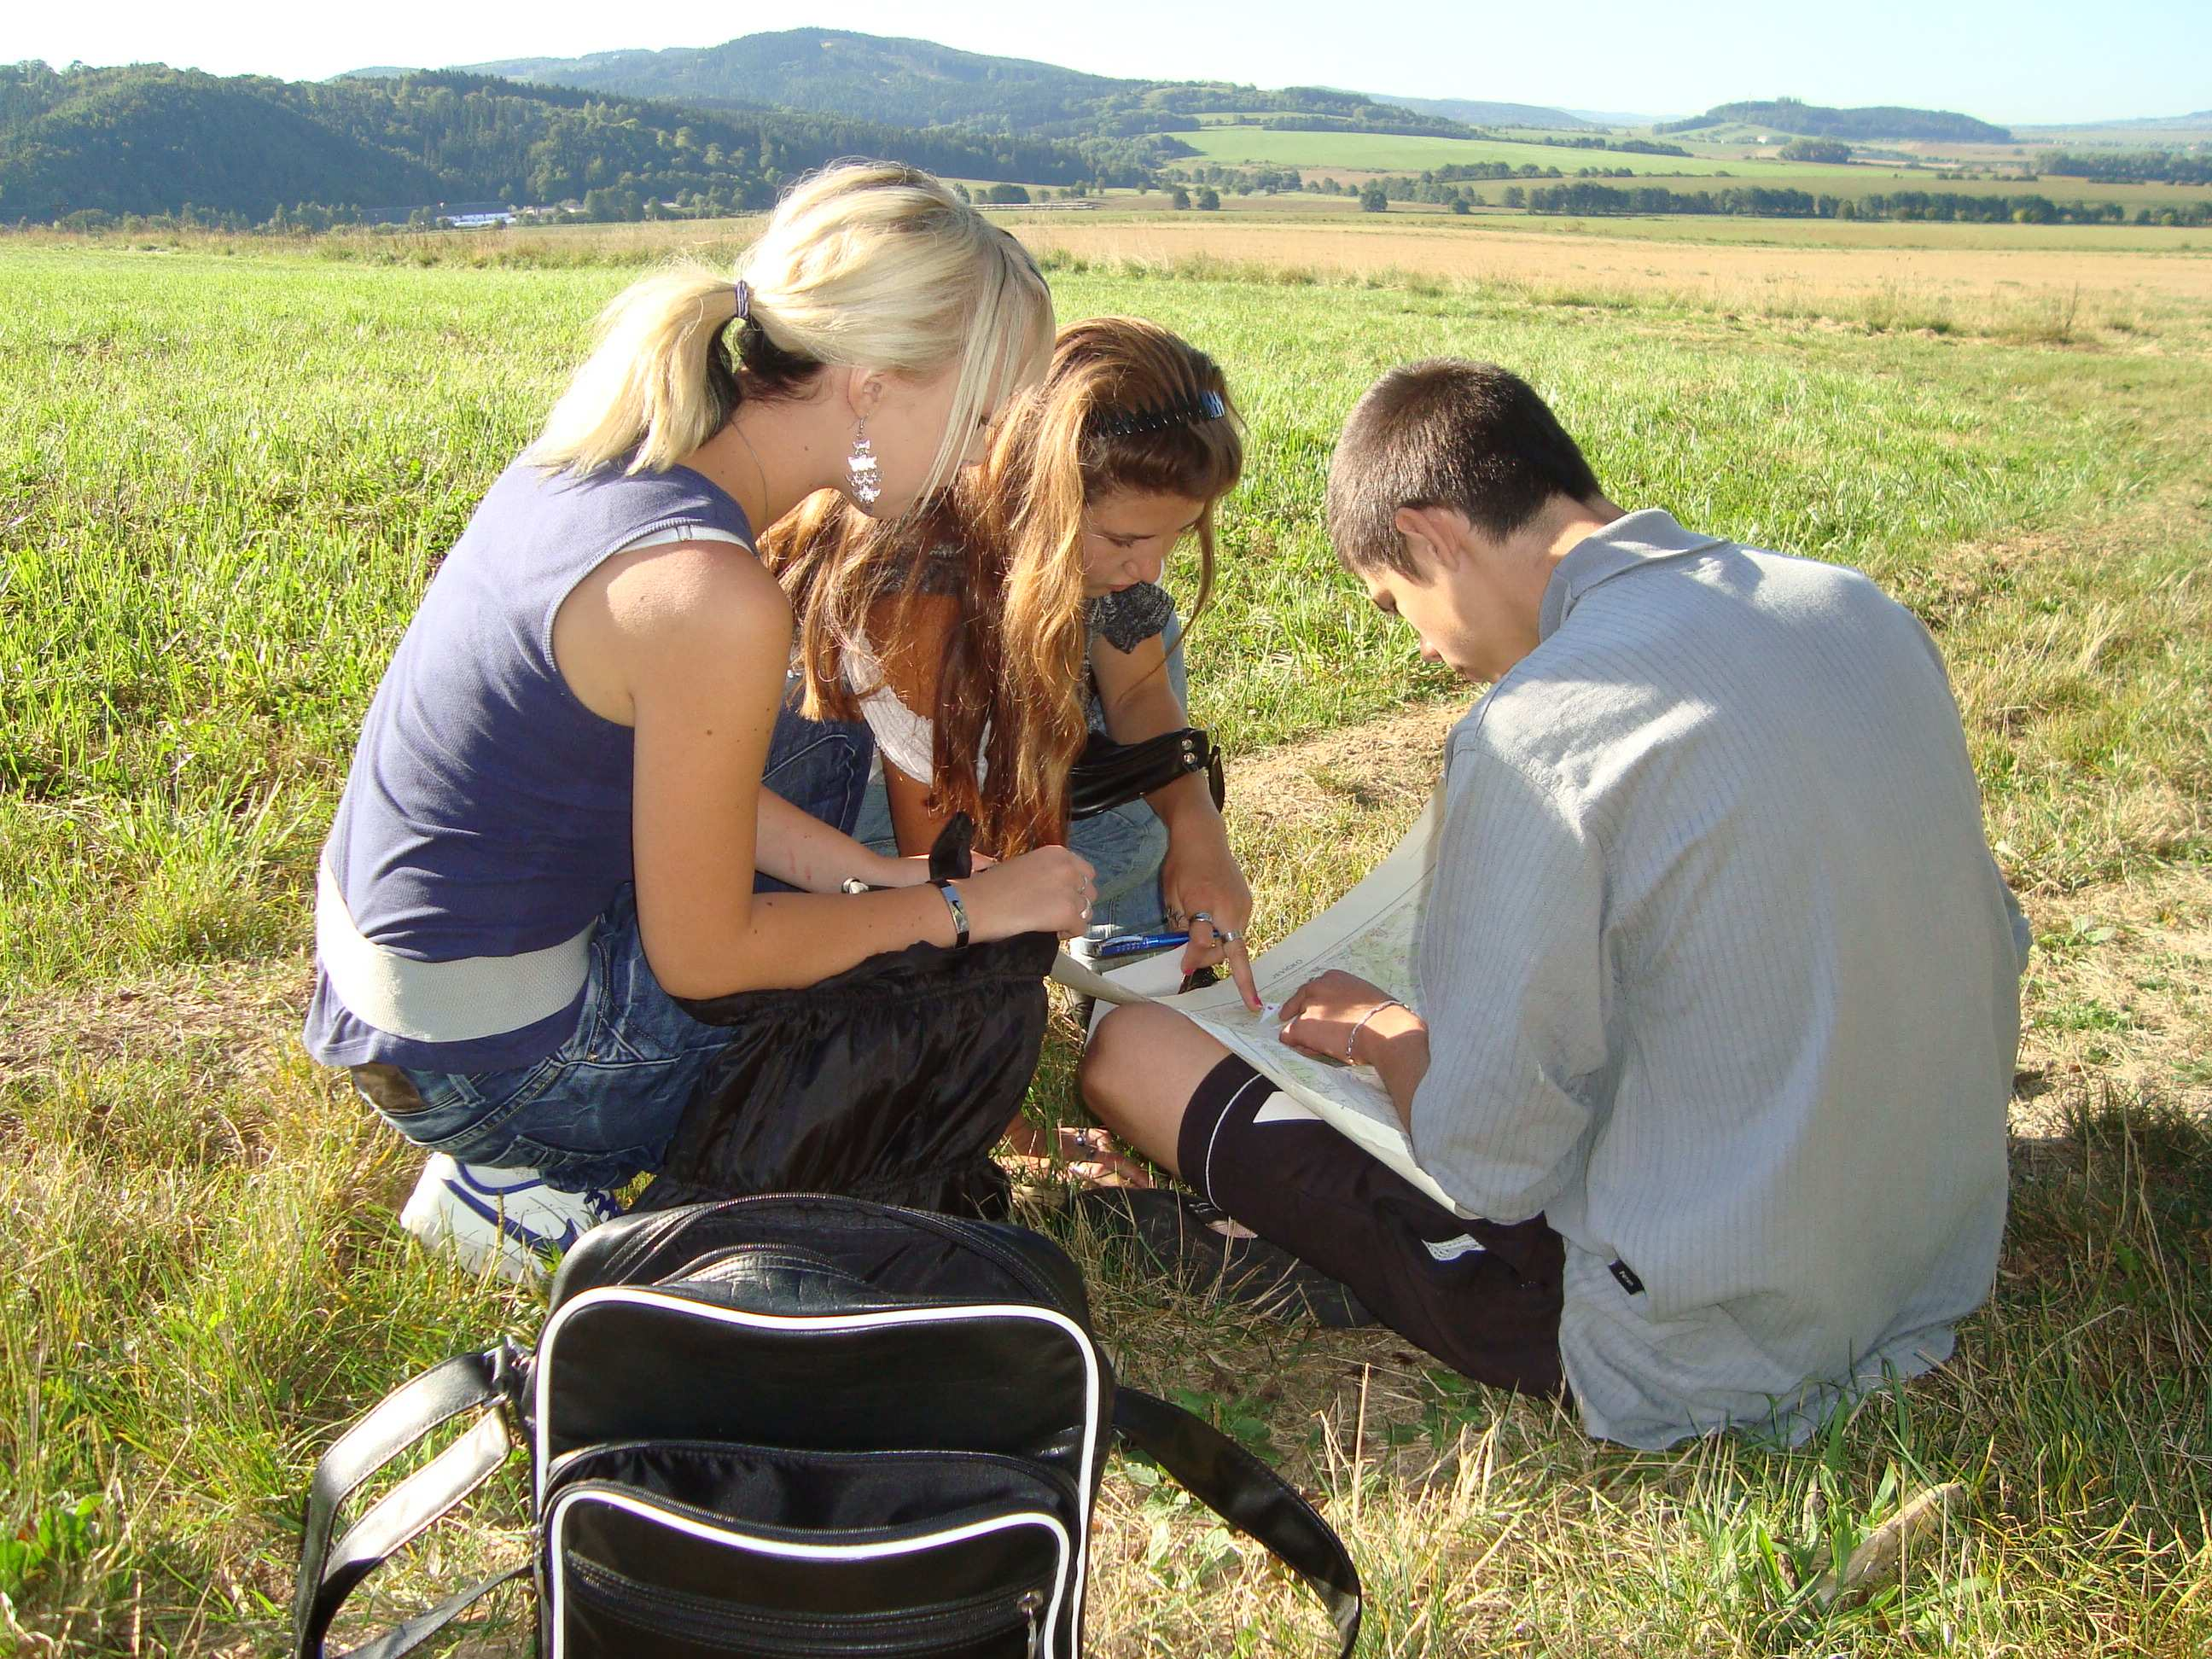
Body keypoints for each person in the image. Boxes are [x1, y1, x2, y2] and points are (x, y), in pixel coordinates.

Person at [1081, 359, 2030, 1449]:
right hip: (1927, 1256)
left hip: (1697, 1339)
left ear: (1432, 534)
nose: (1430, 652)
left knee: (1135, 1048)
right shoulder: (1854, 606)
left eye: (1396, 606)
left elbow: (1493, 1160)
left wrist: (1388, 1036)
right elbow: (1995, 934)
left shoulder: (1539, 727)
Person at [305, 162, 1093, 1283]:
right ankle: (538, 1186)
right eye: (977, 415)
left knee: (816, 767)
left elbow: (640, 780)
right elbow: (713, 962)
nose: (979, 457)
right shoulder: (712, 596)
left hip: (392, 999)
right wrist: (963, 911)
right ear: (870, 384)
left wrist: (886, 886)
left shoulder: (608, 459)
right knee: (890, 958)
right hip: (495, 1072)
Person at [766, 315, 1260, 1009]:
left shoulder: (1093, 560)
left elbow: (1141, 702)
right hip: (846, 831)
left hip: (970, 770)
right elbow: (941, 863)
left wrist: (1198, 825)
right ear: (1039, 493)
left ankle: (1149, 978)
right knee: (1116, 842)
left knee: (1152, 796)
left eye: (1176, 536)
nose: (1151, 565)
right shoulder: (919, 586)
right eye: (1124, 538)